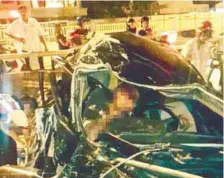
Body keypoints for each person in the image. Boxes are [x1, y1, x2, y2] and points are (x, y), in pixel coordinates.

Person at [5, 4, 48, 71]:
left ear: (27, 11)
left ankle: (43, 79)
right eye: (21, 12)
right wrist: (18, 39)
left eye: (24, 11)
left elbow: (40, 34)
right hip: (26, 47)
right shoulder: (17, 23)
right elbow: (7, 32)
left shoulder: (33, 21)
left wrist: (45, 46)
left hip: (37, 46)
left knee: (41, 66)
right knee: (29, 68)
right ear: (19, 12)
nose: (23, 13)